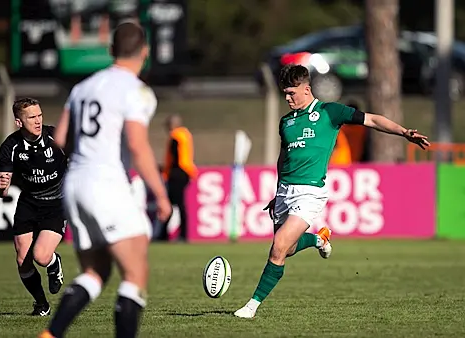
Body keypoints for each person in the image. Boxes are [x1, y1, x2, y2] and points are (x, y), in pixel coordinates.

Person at [234, 64, 429, 319]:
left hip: (310, 192)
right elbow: (284, 159)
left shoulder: (329, 112)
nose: (287, 98)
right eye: (284, 93)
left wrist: (403, 132)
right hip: (284, 191)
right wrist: (277, 192)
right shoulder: (286, 122)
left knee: (279, 247)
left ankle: (251, 306)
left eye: (291, 92)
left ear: (307, 89)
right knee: (288, 249)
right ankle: (319, 239)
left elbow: (371, 119)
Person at [38, 22, 172, 338]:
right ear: (145, 52)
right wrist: (161, 195)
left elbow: (59, 139)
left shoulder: (82, 87)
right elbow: (138, 147)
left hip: (75, 184)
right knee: (135, 273)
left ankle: (51, 334)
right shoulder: (136, 91)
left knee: (95, 273)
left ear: (111, 51)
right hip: (106, 184)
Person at [0, 97, 70, 316]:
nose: (38, 121)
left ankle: (54, 262)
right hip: (28, 203)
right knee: (22, 260)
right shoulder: (10, 146)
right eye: (31, 117)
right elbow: (2, 189)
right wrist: (0, 188)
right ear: (19, 122)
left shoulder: (56, 137)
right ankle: (41, 304)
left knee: (41, 257)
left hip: (56, 204)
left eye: (39, 116)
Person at [159, 114, 197, 242]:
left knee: (172, 204)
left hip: (177, 172)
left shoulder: (175, 136)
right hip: (186, 171)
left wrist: (166, 171)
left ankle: (168, 234)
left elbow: (175, 156)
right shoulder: (186, 135)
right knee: (178, 204)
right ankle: (175, 234)